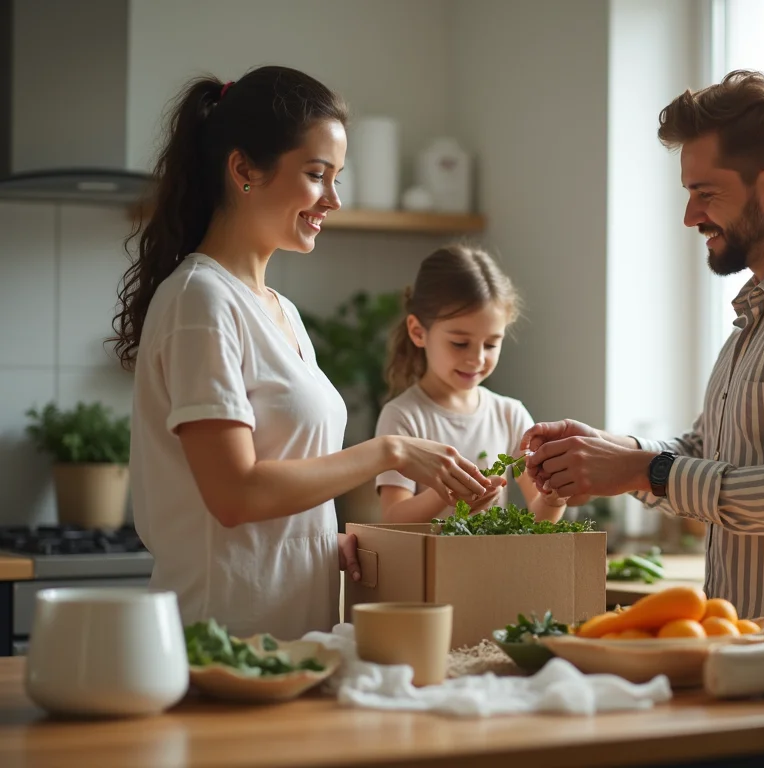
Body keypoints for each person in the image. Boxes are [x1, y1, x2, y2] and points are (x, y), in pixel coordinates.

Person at [523, 70, 764, 641]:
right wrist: (616, 455)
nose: (690, 216)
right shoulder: (762, 313)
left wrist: (643, 470)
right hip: (758, 662)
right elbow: (709, 450)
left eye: (705, 193)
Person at [112, 66, 488, 641]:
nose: (332, 199)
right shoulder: (201, 303)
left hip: (291, 646)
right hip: (220, 645)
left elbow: (275, 489)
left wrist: (320, 542)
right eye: (317, 175)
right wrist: (388, 451)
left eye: (337, 178)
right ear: (244, 170)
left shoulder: (279, 310)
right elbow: (234, 495)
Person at [375, 244, 567, 523]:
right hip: (428, 567)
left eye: (491, 344)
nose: (476, 359)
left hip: (494, 566)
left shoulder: (511, 416)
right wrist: (447, 491)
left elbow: (539, 522)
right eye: (460, 343)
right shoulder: (403, 417)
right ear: (418, 332)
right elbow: (393, 519)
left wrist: (553, 498)